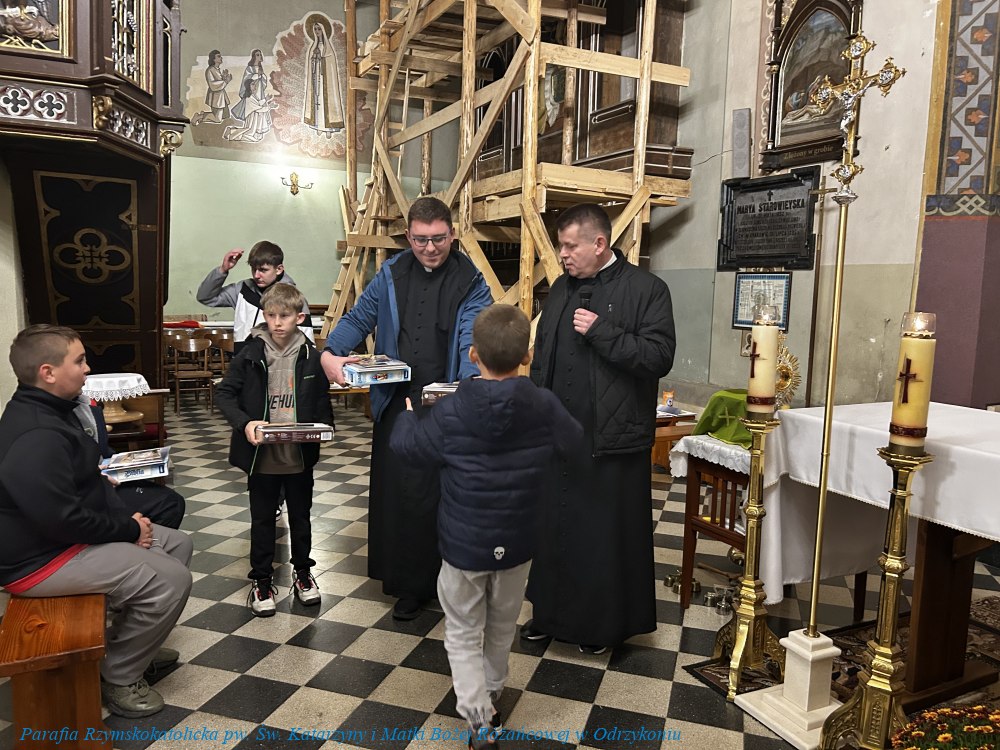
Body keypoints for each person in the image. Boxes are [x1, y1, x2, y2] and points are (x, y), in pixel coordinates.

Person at [391, 305, 582, 749]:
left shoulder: (452, 409)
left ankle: (478, 717)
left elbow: (408, 448)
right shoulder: (542, 403)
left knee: (462, 629)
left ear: (473, 354)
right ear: (527, 355)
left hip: (464, 544)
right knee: (502, 624)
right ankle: (492, 694)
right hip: (518, 539)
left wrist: (406, 415)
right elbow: (573, 441)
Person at [0, 325, 193, 718]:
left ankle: (127, 646)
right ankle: (120, 676)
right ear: (48, 372)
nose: (87, 369)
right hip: (38, 560)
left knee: (178, 544)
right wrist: (129, 529)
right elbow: (61, 520)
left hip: (60, 539)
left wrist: (125, 519)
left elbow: (82, 483)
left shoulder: (56, 408)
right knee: (172, 580)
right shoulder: (37, 433)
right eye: (79, 361)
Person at [322, 195, 492, 621]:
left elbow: (472, 338)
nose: (429, 248)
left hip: (445, 406)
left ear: (452, 234)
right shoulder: (391, 273)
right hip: (397, 404)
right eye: (420, 240)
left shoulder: (471, 280)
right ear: (408, 236)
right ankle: (408, 585)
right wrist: (330, 353)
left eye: (438, 239)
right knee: (400, 495)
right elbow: (359, 317)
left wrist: (466, 387)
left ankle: (449, 585)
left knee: (441, 498)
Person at [521, 203, 676, 653]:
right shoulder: (560, 289)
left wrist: (602, 331)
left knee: (601, 536)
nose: (563, 255)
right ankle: (548, 615)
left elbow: (658, 357)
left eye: (570, 246)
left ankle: (600, 627)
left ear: (599, 243)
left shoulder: (647, 289)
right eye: (561, 246)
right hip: (560, 436)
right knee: (554, 528)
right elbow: (543, 357)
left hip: (612, 437)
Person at [216, 283, 334, 617]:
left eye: (285, 316)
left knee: (301, 517)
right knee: (262, 520)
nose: (277, 322)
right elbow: (224, 394)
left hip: (298, 455)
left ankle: (303, 574)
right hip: (262, 456)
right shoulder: (250, 353)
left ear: (300, 317)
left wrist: (325, 427)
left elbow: (321, 399)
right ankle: (262, 581)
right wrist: (245, 423)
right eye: (271, 315)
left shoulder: (311, 356)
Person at [74, 394, 186, 529]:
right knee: (168, 503)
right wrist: (95, 473)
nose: (86, 373)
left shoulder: (85, 403)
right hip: (88, 492)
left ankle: (144, 538)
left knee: (171, 500)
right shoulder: (58, 417)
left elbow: (102, 448)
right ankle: (138, 537)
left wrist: (123, 463)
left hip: (106, 477)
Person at [196, 240, 314, 350]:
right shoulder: (241, 290)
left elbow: (307, 341)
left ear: (279, 269)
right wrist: (223, 269)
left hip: (278, 360)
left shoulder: (293, 297)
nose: (257, 275)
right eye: (254, 269)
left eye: (263, 270)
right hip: (243, 358)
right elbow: (205, 297)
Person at [224, 48, 275, 143]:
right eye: (257, 55)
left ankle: (254, 130)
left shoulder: (260, 68)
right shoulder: (249, 68)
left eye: (260, 54)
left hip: (259, 92)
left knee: (259, 113)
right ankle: (236, 132)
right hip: (252, 92)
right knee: (255, 113)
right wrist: (257, 76)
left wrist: (262, 76)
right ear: (254, 56)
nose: (260, 56)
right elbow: (247, 80)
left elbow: (263, 82)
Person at [303, 19, 345, 132]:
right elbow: (311, 64)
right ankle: (317, 126)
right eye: (315, 29)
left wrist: (321, 58)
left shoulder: (329, 49)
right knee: (316, 100)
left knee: (325, 100)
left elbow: (330, 65)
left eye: (319, 29)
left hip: (325, 80)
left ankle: (329, 128)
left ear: (323, 30)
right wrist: (314, 58)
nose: (317, 31)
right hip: (316, 77)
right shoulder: (313, 47)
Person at [200, 49, 232, 124]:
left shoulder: (217, 69)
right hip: (216, 98)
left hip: (221, 97)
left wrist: (224, 77)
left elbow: (219, 81)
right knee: (218, 119)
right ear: (214, 59)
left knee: (226, 116)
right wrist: (225, 81)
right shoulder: (210, 70)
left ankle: (203, 115)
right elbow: (212, 85)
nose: (221, 58)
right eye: (219, 56)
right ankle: (201, 116)